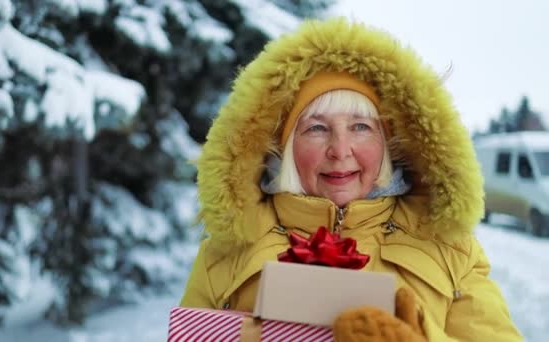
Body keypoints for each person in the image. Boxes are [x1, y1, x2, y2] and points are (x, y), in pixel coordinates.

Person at [180, 18, 521, 341]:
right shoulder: (226, 253)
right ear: (286, 147)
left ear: (385, 144)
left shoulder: (450, 248)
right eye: (316, 128)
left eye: (361, 127)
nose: (340, 151)